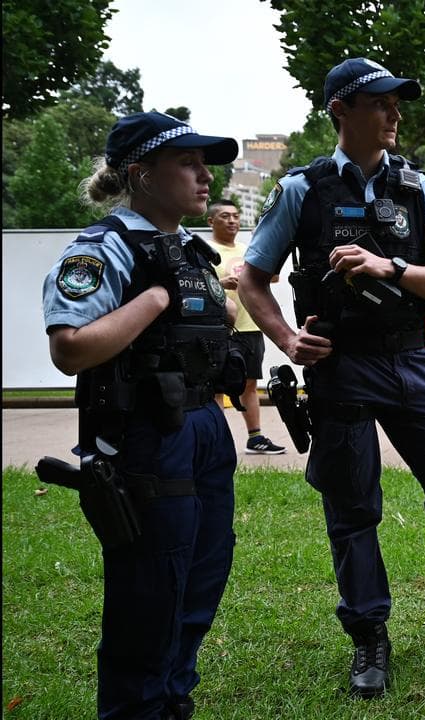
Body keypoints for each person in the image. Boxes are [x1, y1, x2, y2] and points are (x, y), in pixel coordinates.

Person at [238, 57, 425, 700]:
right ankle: (369, 635)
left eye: (398, 103)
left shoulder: (420, 190)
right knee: (353, 506)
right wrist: (287, 340)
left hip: (409, 359)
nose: (396, 113)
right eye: (382, 102)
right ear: (341, 109)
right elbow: (252, 279)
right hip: (338, 366)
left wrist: (388, 266)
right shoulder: (302, 191)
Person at [42, 111, 240, 720]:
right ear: (141, 175)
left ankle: (172, 698)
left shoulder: (187, 249)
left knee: (203, 575)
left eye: (205, 163)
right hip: (147, 435)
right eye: (187, 163)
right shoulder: (105, 248)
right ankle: (134, 709)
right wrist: (155, 298)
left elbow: (212, 324)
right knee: (150, 588)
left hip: (203, 425)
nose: (205, 175)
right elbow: (70, 347)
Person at [207, 199, 287, 455]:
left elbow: (272, 277)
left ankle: (256, 437)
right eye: (224, 216)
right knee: (217, 387)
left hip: (250, 326)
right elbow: (197, 285)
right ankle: (217, 440)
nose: (232, 220)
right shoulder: (206, 251)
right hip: (221, 329)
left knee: (249, 384)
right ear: (211, 221)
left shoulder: (247, 248)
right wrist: (221, 282)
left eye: (235, 216)